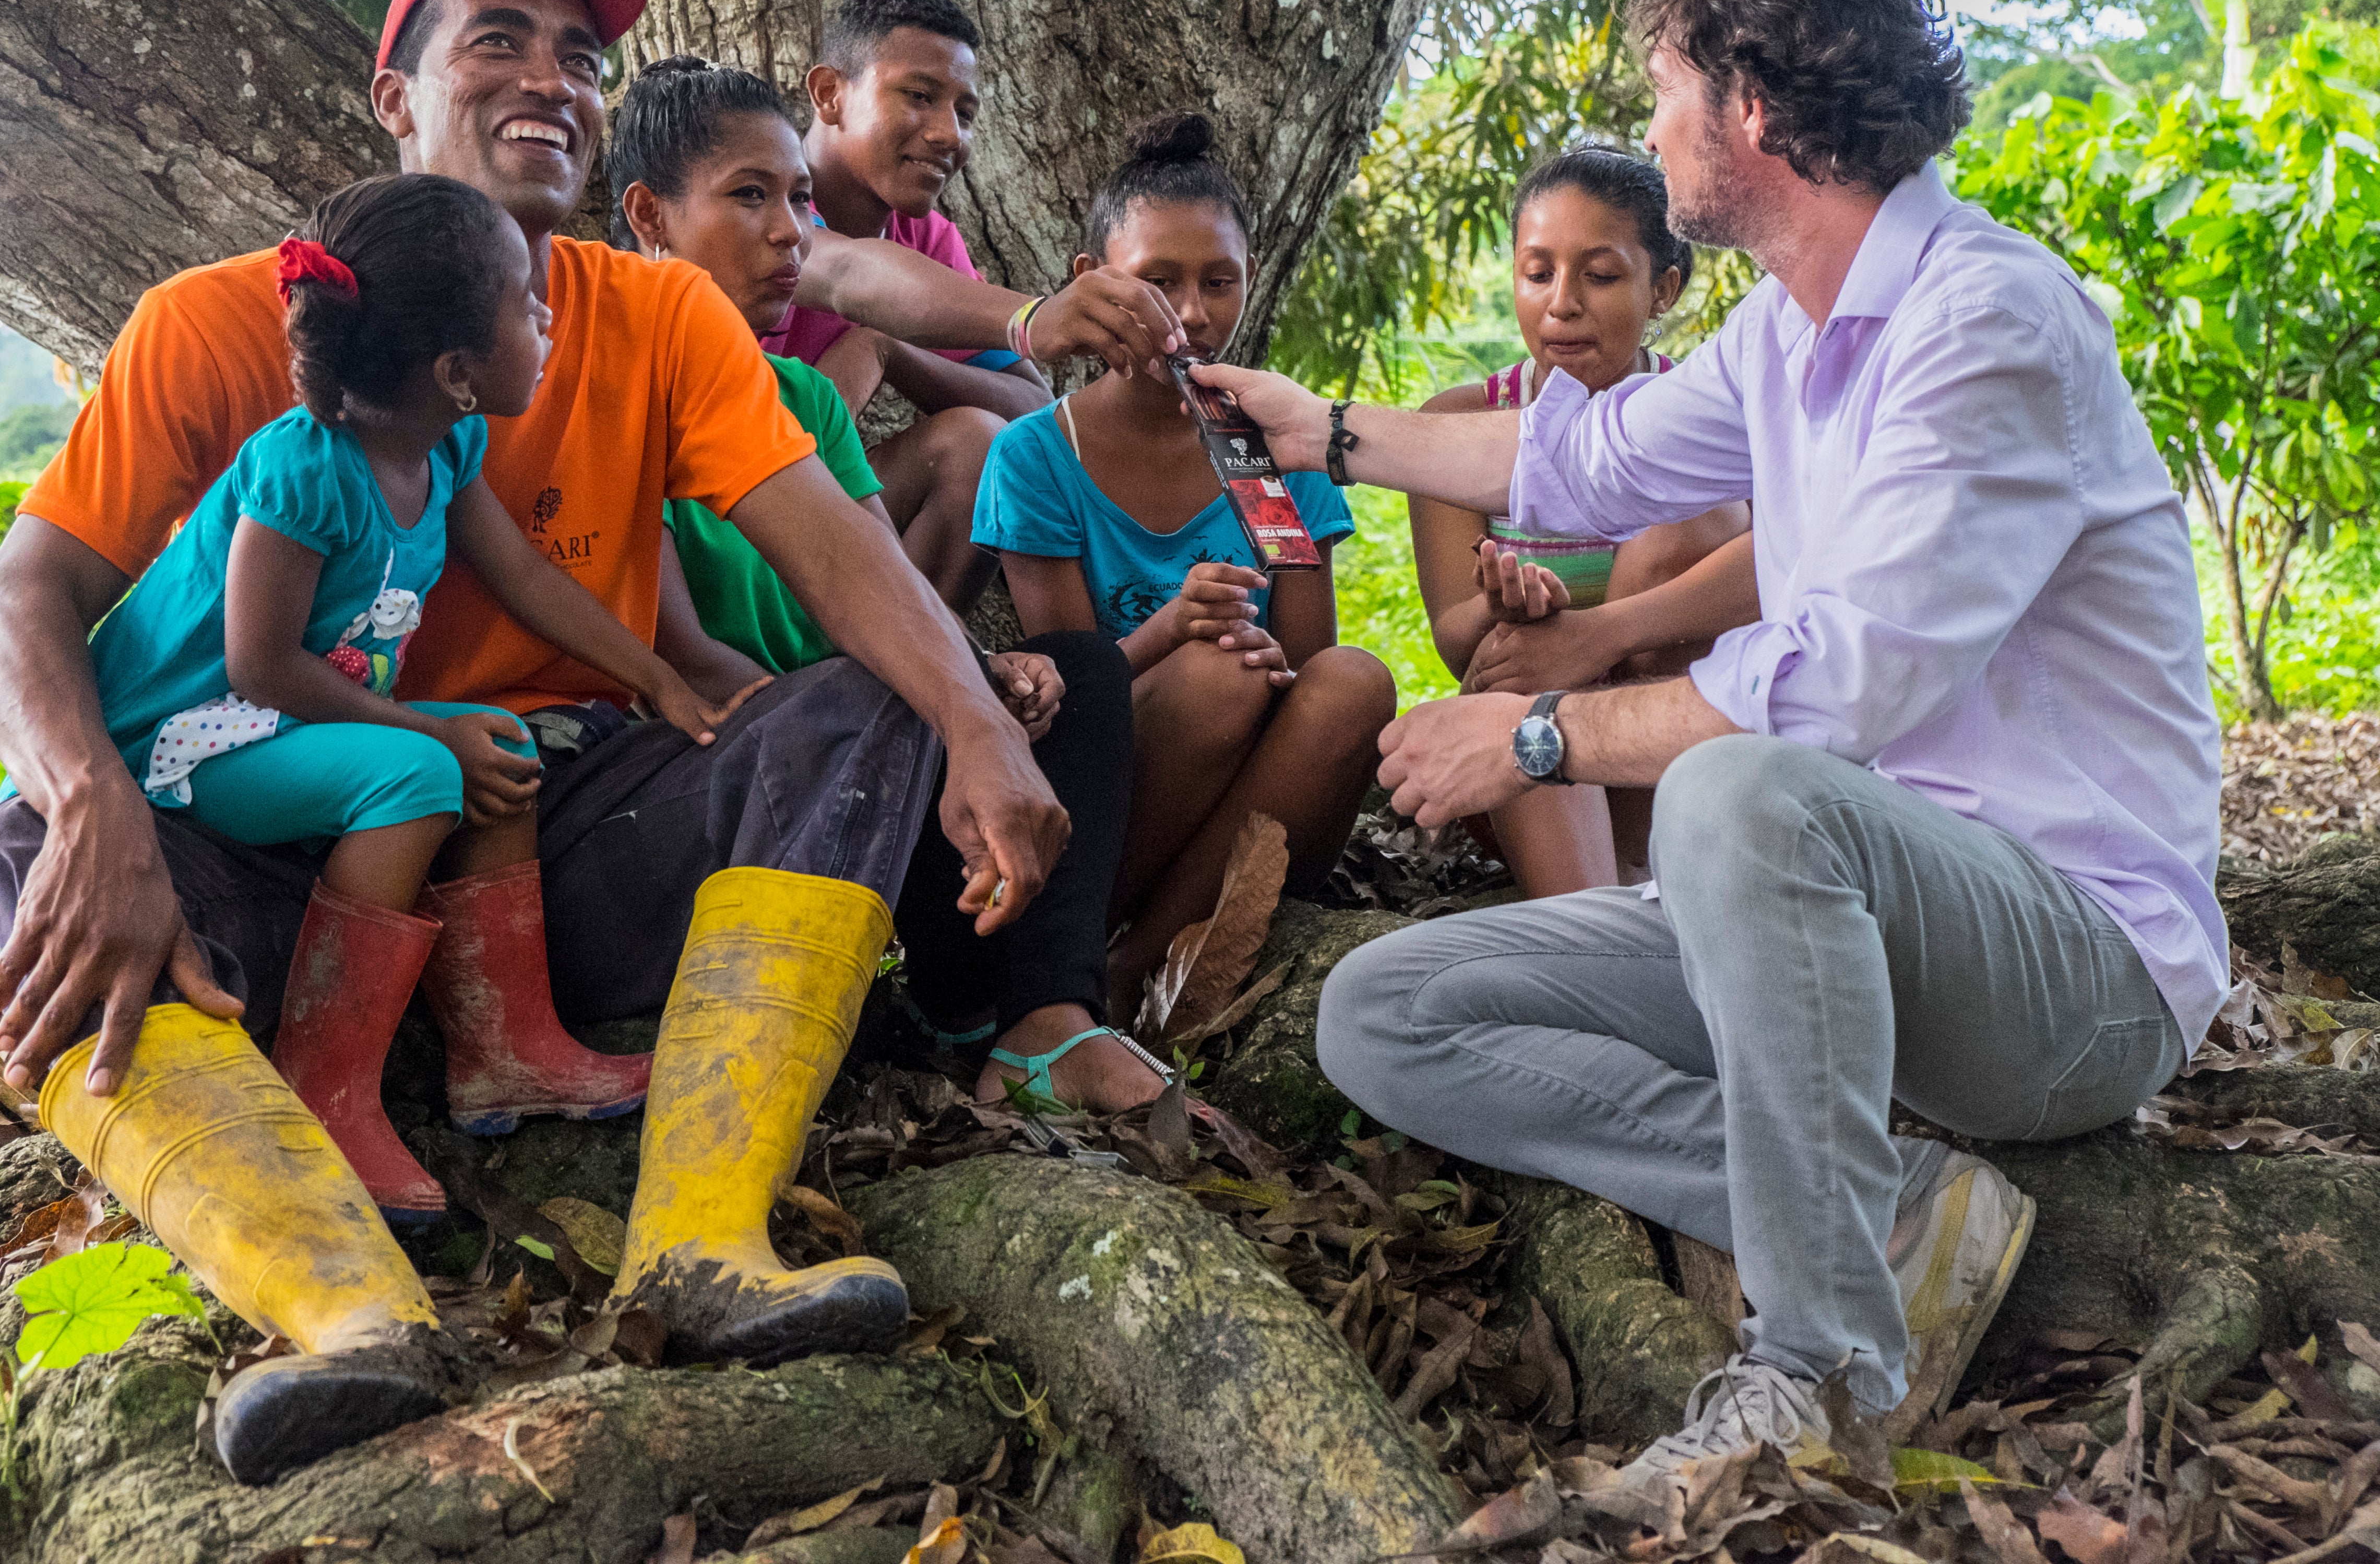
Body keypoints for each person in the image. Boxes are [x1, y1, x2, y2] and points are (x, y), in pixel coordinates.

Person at [0, 0, 1187, 1486]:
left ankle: (703, 1235)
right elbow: (24, 603)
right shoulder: (217, 325)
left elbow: (826, 542)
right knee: (19, 846)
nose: (554, 77)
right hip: (267, 848)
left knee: (863, 702)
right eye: (501, 42)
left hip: (565, 835)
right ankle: (341, 1316)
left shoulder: (657, 311)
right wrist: (91, 804)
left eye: (583, 54)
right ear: (391, 98)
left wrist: (962, 716)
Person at [1195, 0, 2226, 1475]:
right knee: (1390, 1010)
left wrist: (1535, 733)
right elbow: (1574, 455)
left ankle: (1823, 1374)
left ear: (1749, 105)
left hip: (2070, 971)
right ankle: (1885, 1203)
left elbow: (1838, 688)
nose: (1652, 123)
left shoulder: (1986, 319)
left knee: (1744, 778)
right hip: (1837, 919)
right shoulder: (1785, 331)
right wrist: (1324, 428)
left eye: (1665, 84)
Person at [77, 174, 755, 1218]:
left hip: (284, 718)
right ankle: (325, 1085)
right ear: (456, 370)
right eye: (527, 306)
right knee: (422, 773)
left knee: (496, 743)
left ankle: (507, 1048)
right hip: (186, 737)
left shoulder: (445, 447)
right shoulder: (304, 472)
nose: (548, 317)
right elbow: (259, 668)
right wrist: (417, 724)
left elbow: (527, 580)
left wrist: (657, 675)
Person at [608, 55, 1158, 1111]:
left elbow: (881, 583)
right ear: (649, 216)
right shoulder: (616, 382)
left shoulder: (807, 398)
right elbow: (686, 657)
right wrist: (924, 713)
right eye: (749, 197)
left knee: (1078, 677)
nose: (789, 233)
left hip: (844, 746)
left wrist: (981, 676)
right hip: (702, 774)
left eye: (800, 201)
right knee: (889, 710)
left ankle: (1037, 1021)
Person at [977, 114, 1397, 1071]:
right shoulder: (1040, 455)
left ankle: (1134, 968)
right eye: (1157, 280)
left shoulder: (1268, 444)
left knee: (1357, 681)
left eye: (1220, 281)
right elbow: (1069, 700)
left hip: (1254, 793)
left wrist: (1243, 653)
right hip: (1106, 801)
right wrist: (1173, 630)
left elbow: (1306, 661)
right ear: (1093, 278)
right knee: (1215, 676)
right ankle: (1108, 962)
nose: (1193, 312)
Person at [1408, 146, 1753, 894]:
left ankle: (1651, 868)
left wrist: (1598, 629)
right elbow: (1454, 645)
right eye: (1539, 273)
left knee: (1687, 535)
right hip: (1520, 751)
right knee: (1518, 694)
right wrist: (1505, 611)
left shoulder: (1721, 420)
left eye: (1599, 276)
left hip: (1676, 733)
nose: (1562, 303)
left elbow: (1775, 582)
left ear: (1663, 289)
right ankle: (1595, 909)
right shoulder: (1461, 424)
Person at [763, 0, 1052, 611]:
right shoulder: (759, 199)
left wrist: (890, 348)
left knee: (982, 445)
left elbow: (1032, 406)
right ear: (829, 94)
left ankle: (909, 691)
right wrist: (1037, 318)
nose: (950, 135)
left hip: (820, 527)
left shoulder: (924, 236)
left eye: (966, 113)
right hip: (708, 522)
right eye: (920, 96)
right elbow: (844, 272)